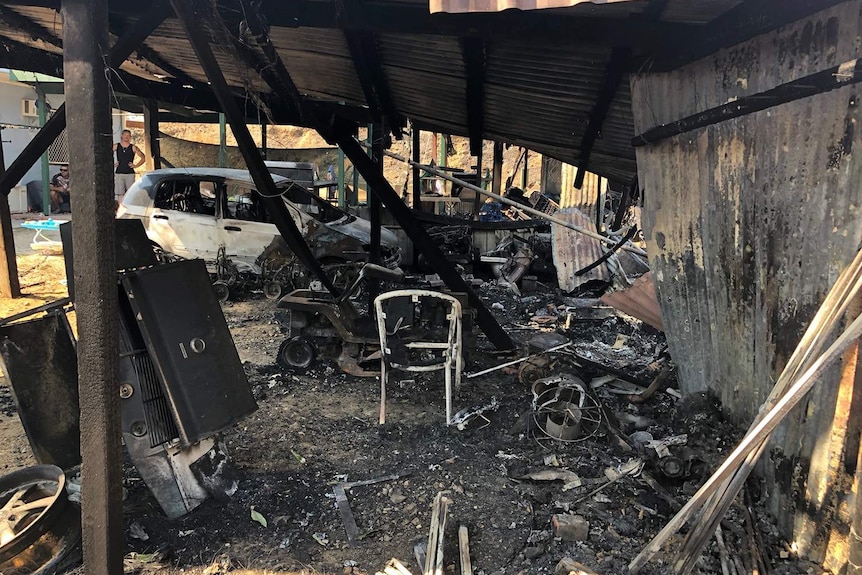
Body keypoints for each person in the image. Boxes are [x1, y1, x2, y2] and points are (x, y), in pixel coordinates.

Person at [112, 129, 146, 205]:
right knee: (120, 193)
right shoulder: (116, 146)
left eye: (128, 136)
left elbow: (143, 157)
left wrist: (136, 165)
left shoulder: (133, 147)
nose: (126, 137)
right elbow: (106, 154)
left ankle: (129, 209)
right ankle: (121, 209)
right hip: (119, 173)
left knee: (130, 193)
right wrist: (113, 164)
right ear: (122, 136)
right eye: (125, 135)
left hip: (129, 173)